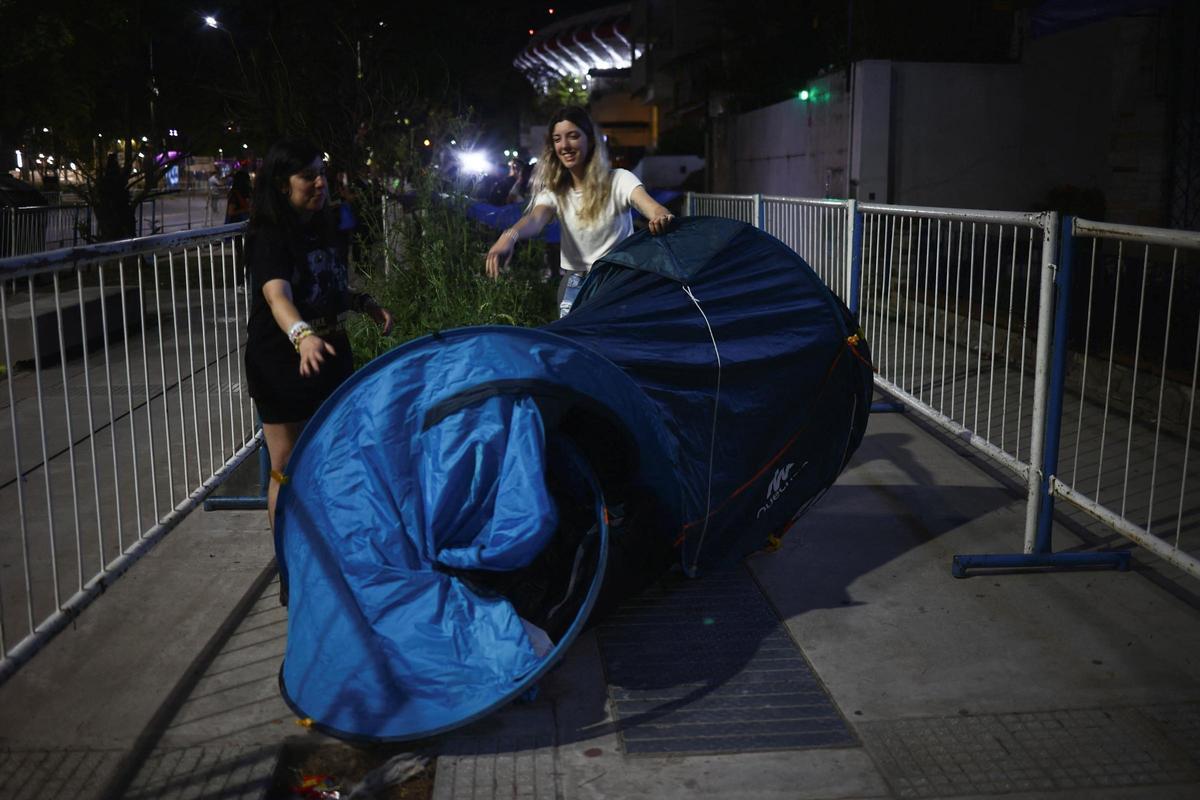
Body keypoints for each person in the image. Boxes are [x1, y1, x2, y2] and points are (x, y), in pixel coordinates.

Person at [243, 137, 394, 531]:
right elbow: (278, 297)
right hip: (282, 360)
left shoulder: (325, 225)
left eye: (321, 174)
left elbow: (324, 286)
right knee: (287, 465)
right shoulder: (269, 234)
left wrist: (362, 303)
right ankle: (292, 566)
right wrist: (303, 336)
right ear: (281, 184)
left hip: (331, 354)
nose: (319, 184)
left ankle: (331, 554)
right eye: (307, 176)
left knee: (337, 455)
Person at [485, 107, 674, 313]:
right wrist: (510, 235)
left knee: (615, 343)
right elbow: (535, 218)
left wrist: (659, 216)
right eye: (557, 139)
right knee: (572, 344)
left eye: (573, 136)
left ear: (591, 140)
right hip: (574, 285)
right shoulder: (555, 191)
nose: (564, 145)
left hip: (617, 280)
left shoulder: (619, 179)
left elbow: (653, 207)